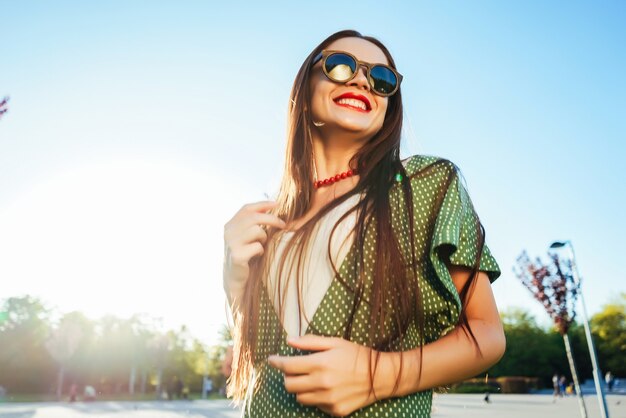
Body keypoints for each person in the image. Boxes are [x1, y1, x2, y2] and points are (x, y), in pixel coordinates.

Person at [223, 29, 505, 417]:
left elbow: (487, 334)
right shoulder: (266, 222)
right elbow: (255, 355)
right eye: (341, 65)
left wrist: (378, 374)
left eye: (382, 79)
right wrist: (233, 279)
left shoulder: (426, 185)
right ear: (305, 89)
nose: (361, 80)